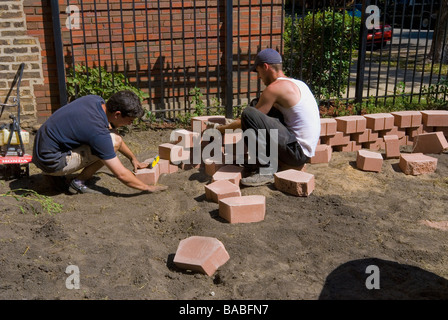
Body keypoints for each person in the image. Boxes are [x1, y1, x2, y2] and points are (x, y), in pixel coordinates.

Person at [213, 48, 321, 187]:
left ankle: (266, 170)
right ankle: (263, 161)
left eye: (258, 72)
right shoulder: (296, 83)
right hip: (301, 149)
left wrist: (221, 128)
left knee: (249, 113)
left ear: (265, 67)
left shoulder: (274, 88)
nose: (259, 77)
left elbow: (250, 119)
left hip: (296, 153)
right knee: (256, 104)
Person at [32, 90, 167, 194]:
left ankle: (58, 177)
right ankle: (78, 182)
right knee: (111, 144)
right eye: (130, 121)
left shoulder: (95, 101)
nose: (130, 124)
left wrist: (133, 159)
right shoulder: (96, 130)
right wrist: (148, 188)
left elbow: (113, 133)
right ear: (118, 114)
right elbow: (120, 173)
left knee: (113, 138)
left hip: (43, 151)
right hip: (51, 162)